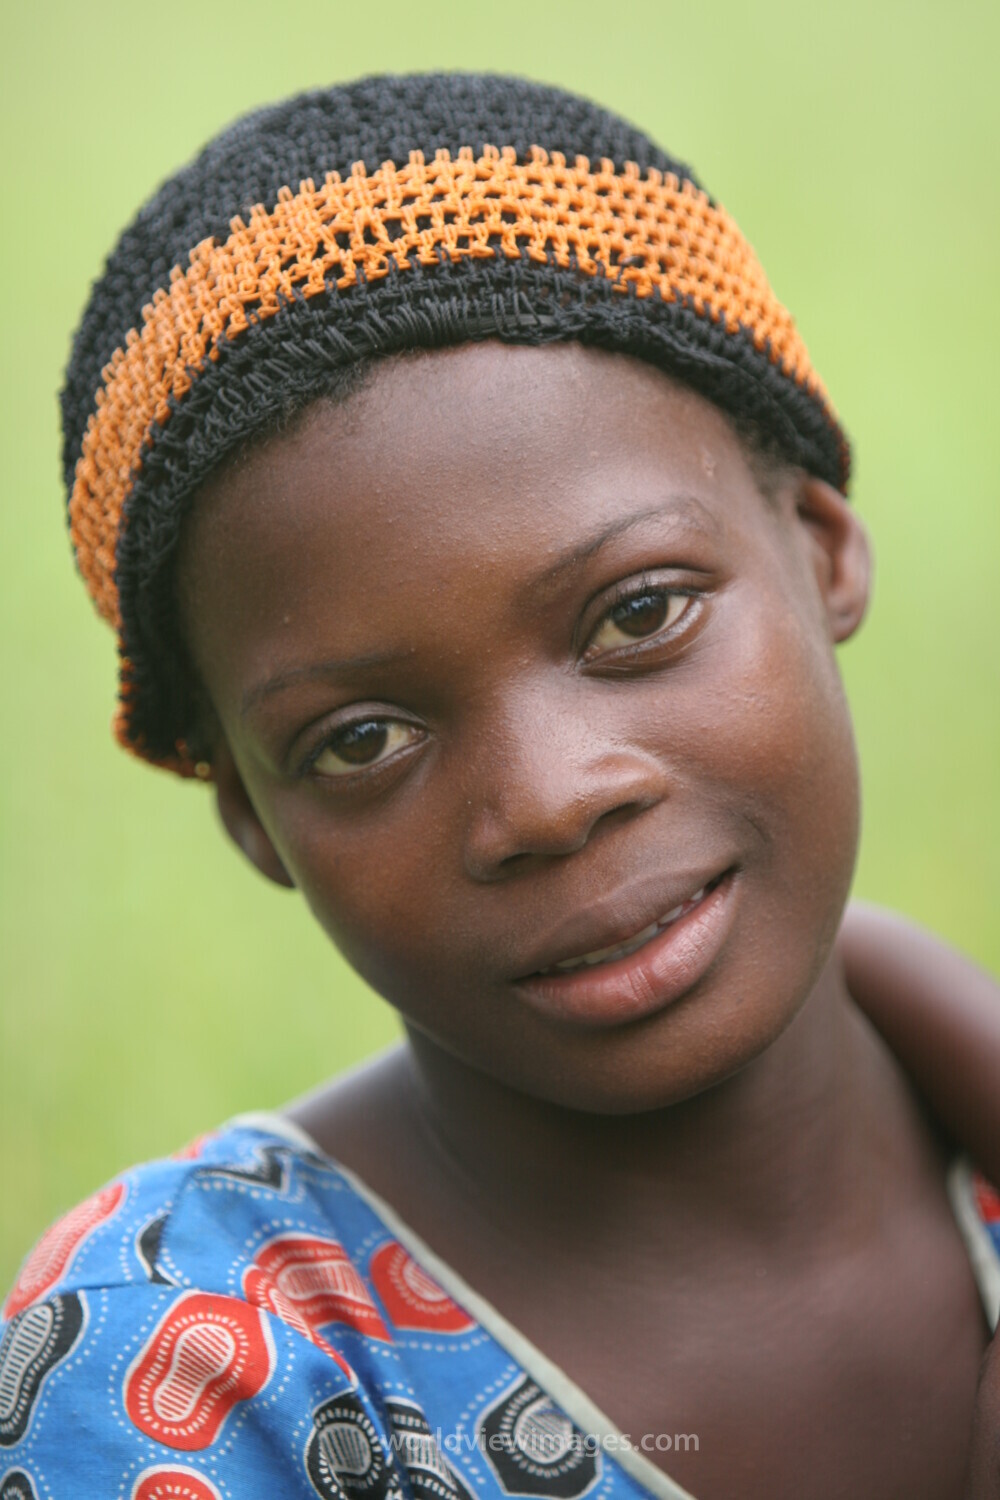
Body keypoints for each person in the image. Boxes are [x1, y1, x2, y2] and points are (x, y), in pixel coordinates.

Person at [3, 74, 997, 1499]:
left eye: (640, 613)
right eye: (362, 740)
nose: (548, 801)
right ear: (252, 820)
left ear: (822, 546)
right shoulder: (183, 1371)